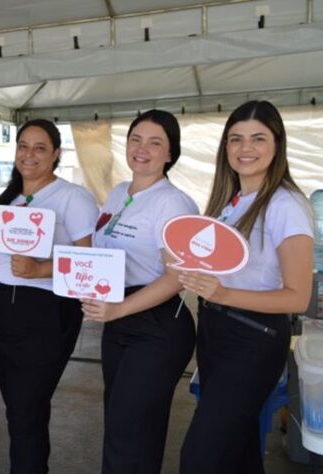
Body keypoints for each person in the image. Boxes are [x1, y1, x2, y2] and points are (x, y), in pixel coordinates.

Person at [179, 101, 313, 473]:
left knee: (200, 458)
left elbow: (298, 296)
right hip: (216, 332)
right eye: (235, 139)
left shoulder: (287, 205)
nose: (245, 148)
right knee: (237, 450)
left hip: (253, 339)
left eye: (258, 138)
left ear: (277, 145)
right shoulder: (230, 201)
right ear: (225, 147)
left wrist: (222, 294)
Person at [0, 119, 99, 473]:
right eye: (23, 146)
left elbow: (89, 263)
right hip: (3, 307)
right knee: (18, 408)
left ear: (56, 154)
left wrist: (39, 270)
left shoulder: (72, 197)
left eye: (40, 148)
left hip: (44, 311)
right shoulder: (10, 198)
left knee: (27, 409)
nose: (29, 155)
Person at [81, 110, 198, 474]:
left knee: (128, 427)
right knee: (126, 425)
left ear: (170, 154)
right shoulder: (118, 193)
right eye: (135, 139)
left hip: (157, 326)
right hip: (120, 323)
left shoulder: (172, 203)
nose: (142, 149)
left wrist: (119, 309)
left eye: (155, 142)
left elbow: (178, 276)